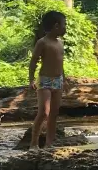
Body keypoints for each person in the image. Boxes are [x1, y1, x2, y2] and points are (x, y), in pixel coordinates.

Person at [28, 10, 69, 149]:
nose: (65, 28)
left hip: (58, 80)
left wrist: (65, 78)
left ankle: (49, 143)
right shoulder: (42, 42)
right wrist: (31, 79)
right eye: (64, 25)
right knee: (44, 112)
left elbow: (60, 62)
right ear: (56, 26)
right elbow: (33, 61)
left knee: (54, 113)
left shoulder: (60, 43)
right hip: (45, 80)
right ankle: (33, 143)